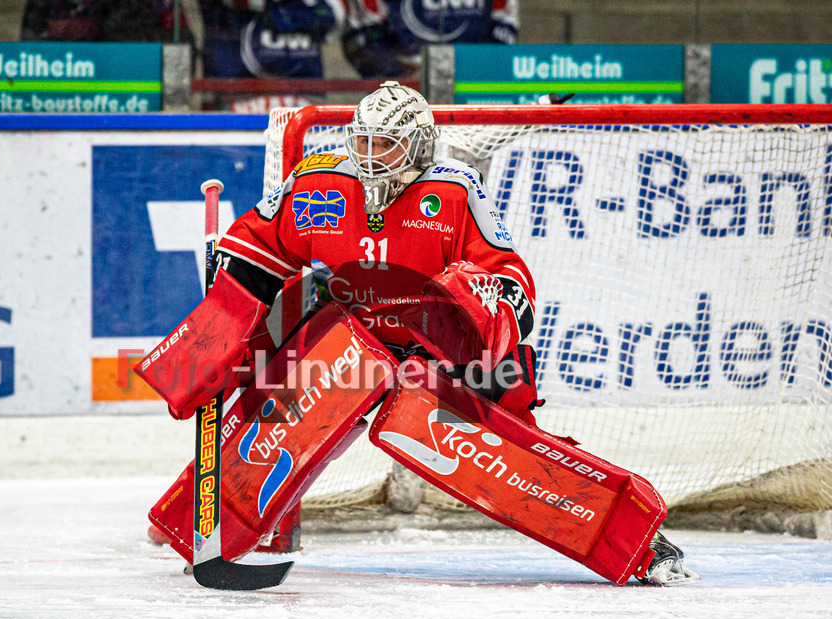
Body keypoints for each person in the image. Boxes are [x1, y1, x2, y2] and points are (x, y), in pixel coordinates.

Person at [140, 81, 698, 586]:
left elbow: (513, 282)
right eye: (363, 141)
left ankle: (637, 545)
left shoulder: (454, 193)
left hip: (443, 353)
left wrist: (478, 316)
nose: (369, 156)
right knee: (271, 414)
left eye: (386, 145)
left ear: (419, 148)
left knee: (516, 454)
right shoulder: (319, 183)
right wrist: (221, 320)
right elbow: (258, 246)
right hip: (353, 342)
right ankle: (193, 520)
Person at [197, 0, 344, 112]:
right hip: (242, 99)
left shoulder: (314, 7)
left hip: (303, 99)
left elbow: (335, 16)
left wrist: (279, 11)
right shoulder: (225, 14)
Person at [340, 0, 519, 78]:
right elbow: (362, 38)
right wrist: (404, 76)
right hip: (400, 93)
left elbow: (504, 27)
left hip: (472, 90)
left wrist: (473, 71)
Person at [21, 0, 192, 43]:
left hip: (111, 85)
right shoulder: (43, 5)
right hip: (58, 81)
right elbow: (29, 44)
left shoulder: (128, 5)